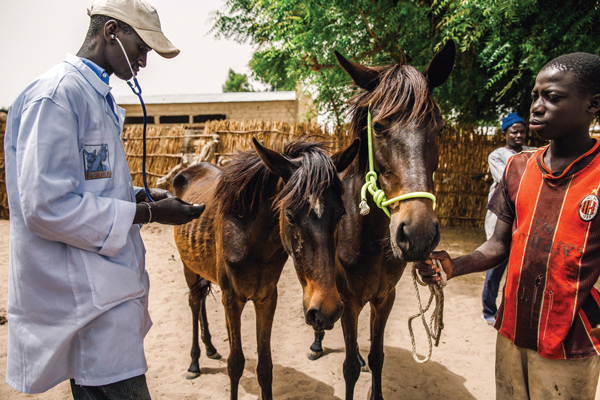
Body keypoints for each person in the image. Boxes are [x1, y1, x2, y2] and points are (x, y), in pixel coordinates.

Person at [3, 0, 205, 398]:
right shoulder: (57, 97)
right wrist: (148, 212)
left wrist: (138, 195)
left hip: (105, 291)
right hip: (85, 296)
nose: (144, 62)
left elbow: (89, 187)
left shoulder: (95, 97)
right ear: (112, 31)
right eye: (142, 48)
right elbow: (45, 206)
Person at [418, 52, 600, 399]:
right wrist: (453, 265)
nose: (538, 106)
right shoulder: (518, 168)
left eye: (553, 97)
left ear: (593, 104)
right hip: (512, 329)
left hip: (570, 342)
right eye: (535, 95)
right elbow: (499, 245)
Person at [481, 112, 534, 326]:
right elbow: (509, 180)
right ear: (505, 134)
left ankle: (512, 312)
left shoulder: (533, 152)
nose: (519, 135)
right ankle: (489, 311)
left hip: (526, 217)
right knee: (495, 264)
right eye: (515, 132)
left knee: (519, 269)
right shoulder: (498, 155)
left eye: (522, 132)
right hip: (502, 217)